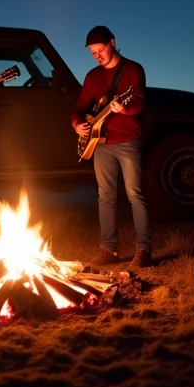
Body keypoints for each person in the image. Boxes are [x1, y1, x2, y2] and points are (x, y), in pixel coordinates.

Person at [71, 25, 151, 270]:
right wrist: (77, 124)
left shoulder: (133, 70)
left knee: (135, 193)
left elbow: (139, 102)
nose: (97, 55)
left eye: (101, 50)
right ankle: (108, 250)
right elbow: (80, 106)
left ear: (112, 43)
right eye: (93, 52)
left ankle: (143, 250)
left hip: (128, 141)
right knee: (105, 196)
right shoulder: (92, 76)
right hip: (101, 143)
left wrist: (124, 109)